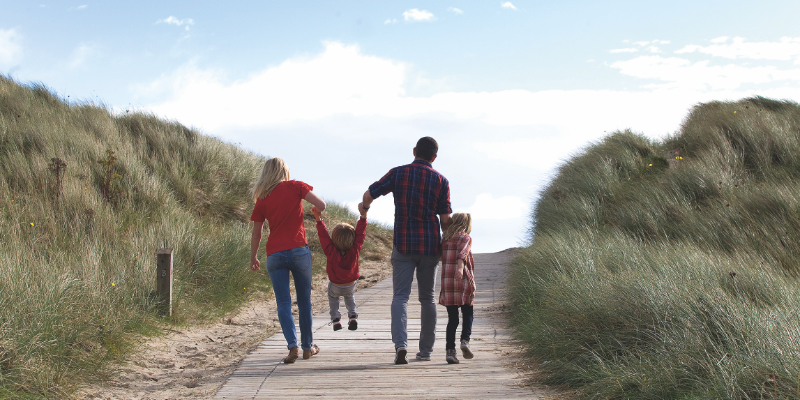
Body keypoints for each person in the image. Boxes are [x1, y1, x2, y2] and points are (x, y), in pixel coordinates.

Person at [362, 136, 452, 364]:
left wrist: (364, 209)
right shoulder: (441, 181)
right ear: (434, 157)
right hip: (430, 245)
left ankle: (400, 345)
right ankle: (426, 351)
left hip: (402, 243)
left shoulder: (398, 173)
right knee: (427, 298)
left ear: (414, 151)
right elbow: (445, 220)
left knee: (400, 297)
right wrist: (446, 245)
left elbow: (368, 194)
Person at [249, 157, 325, 363]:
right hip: (299, 250)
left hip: (275, 254)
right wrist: (315, 212)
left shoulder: (262, 198)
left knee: (283, 302)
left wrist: (254, 256)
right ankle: (308, 347)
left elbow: (257, 232)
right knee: (304, 301)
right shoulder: (296, 187)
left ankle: (293, 347)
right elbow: (321, 204)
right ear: (284, 172)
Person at [311, 203, 368, 331]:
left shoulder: (330, 251)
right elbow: (360, 234)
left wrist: (318, 220)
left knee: (333, 298)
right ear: (352, 239)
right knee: (349, 296)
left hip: (335, 284)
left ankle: (336, 319)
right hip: (351, 284)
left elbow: (324, 236)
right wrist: (363, 216)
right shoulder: (355, 249)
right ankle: (353, 316)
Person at [438, 213, 476, 364]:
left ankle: (450, 352)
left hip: (448, 283)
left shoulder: (445, 239)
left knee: (452, 320)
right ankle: (465, 341)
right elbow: (462, 254)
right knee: (468, 313)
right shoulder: (465, 237)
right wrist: (460, 268)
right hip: (463, 281)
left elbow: (441, 257)